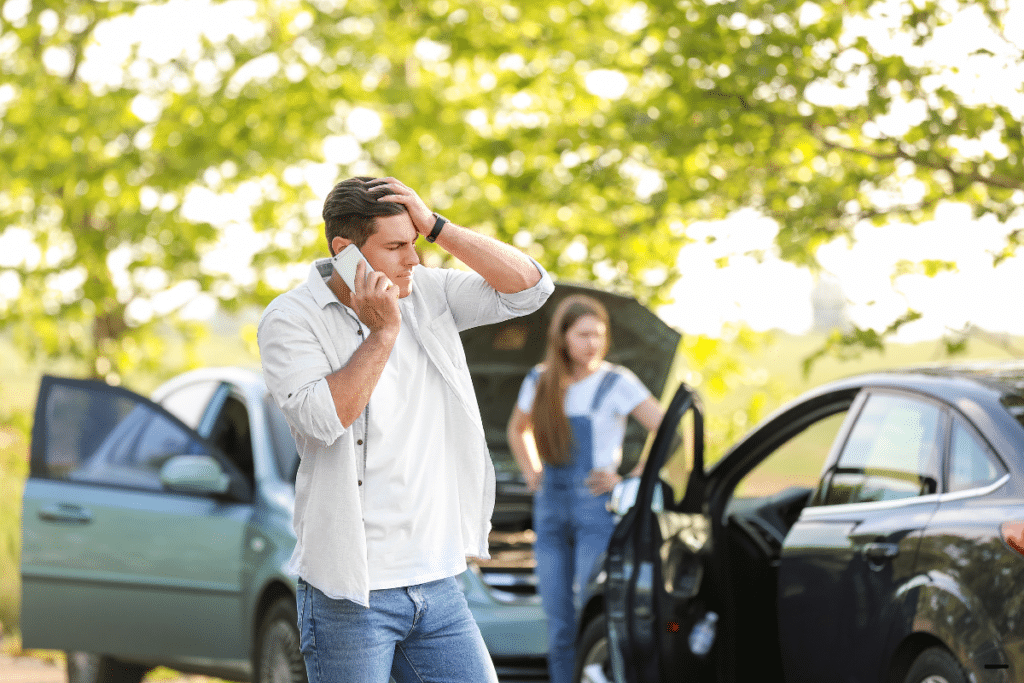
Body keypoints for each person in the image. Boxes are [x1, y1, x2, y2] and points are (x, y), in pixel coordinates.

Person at [258, 176, 554, 683]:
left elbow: (530, 290)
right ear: (345, 251)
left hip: (437, 583)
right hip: (350, 593)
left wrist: (438, 227)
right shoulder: (290, 318)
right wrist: (383, 332)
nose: (412, 260)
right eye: (396, 247)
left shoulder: (430, 292)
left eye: (413, 243)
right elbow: (324, 419)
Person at [506, 294, 664, 683]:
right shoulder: (540, 379)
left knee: (587, 609)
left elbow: (666, 427)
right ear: (563, 338)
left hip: (597, 510)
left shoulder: (617, 382)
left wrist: (630, 477)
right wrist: (532, 472)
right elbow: (517, 428)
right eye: (583, 335)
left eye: (599, 334)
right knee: (558, 618)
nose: (592, 343)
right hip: (550, 510)